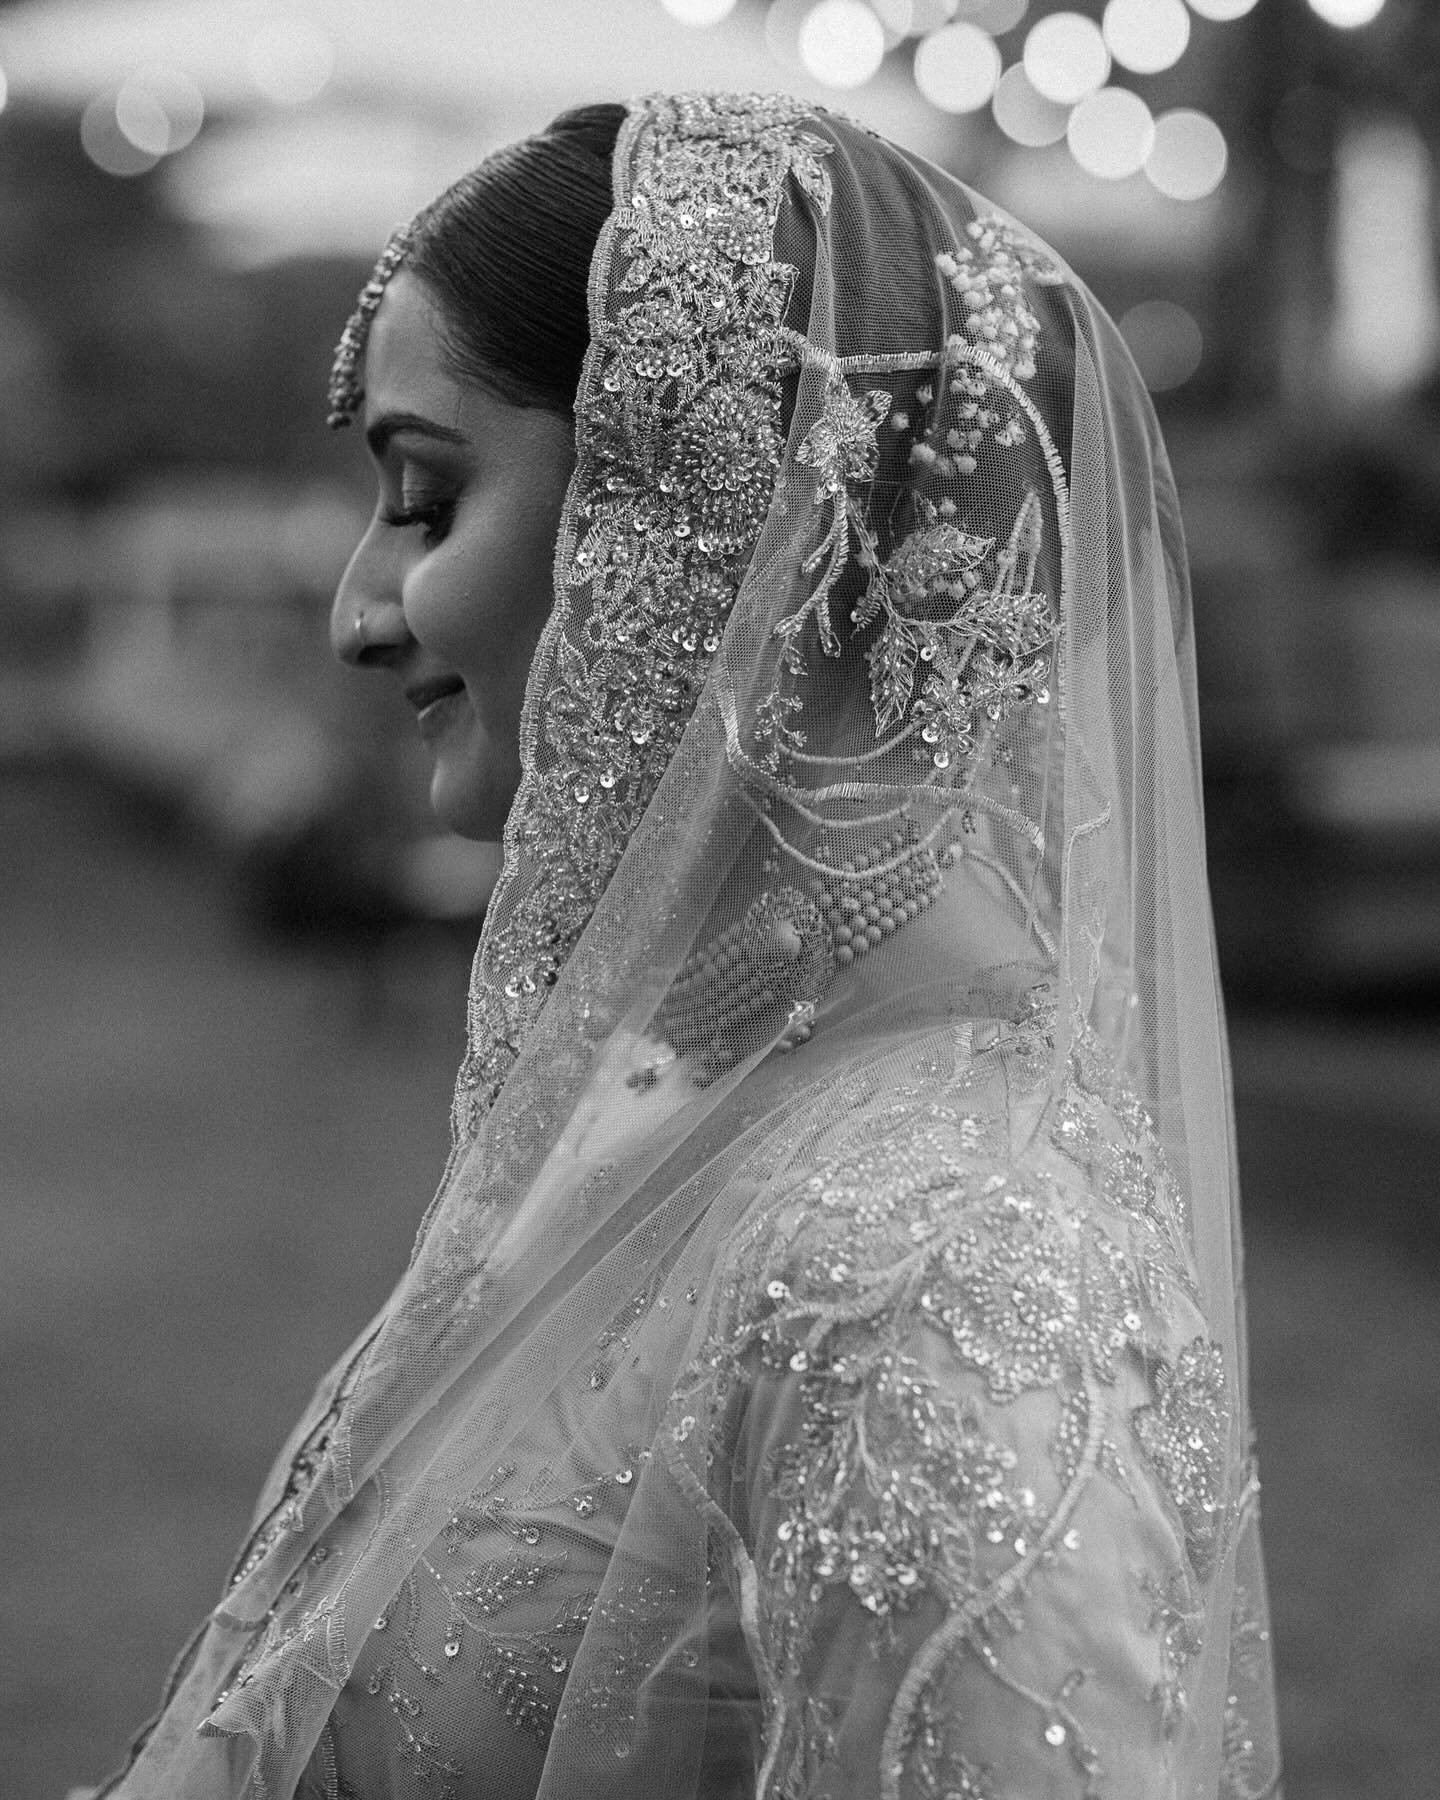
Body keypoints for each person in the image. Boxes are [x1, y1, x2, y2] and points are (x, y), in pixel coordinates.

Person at [92, 92, 1281, 1799]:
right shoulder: (678, 1094)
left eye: (424, 500)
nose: (359, 613)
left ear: (696, 510)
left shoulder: (933, 1263)